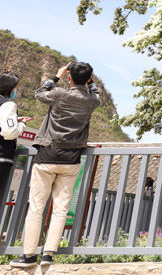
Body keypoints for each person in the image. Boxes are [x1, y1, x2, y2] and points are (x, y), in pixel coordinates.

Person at [10, 62, 102, 269]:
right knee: (61, 208)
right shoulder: (91, 100)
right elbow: (98, 97)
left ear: (69, 77)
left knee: (36, 207)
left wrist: (56, 75)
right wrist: (91, 82)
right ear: (88, 79)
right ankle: (48, 254)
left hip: (47, 155)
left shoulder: (59, 93)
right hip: (71, 159)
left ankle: (28, 255)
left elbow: (40, 93)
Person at [0, 72, 29, 194]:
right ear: (10, 88)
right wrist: (21, 124)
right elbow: (9, 133)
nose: (16, 90)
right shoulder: (8, 104)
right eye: (16, 87)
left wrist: (14, 120)